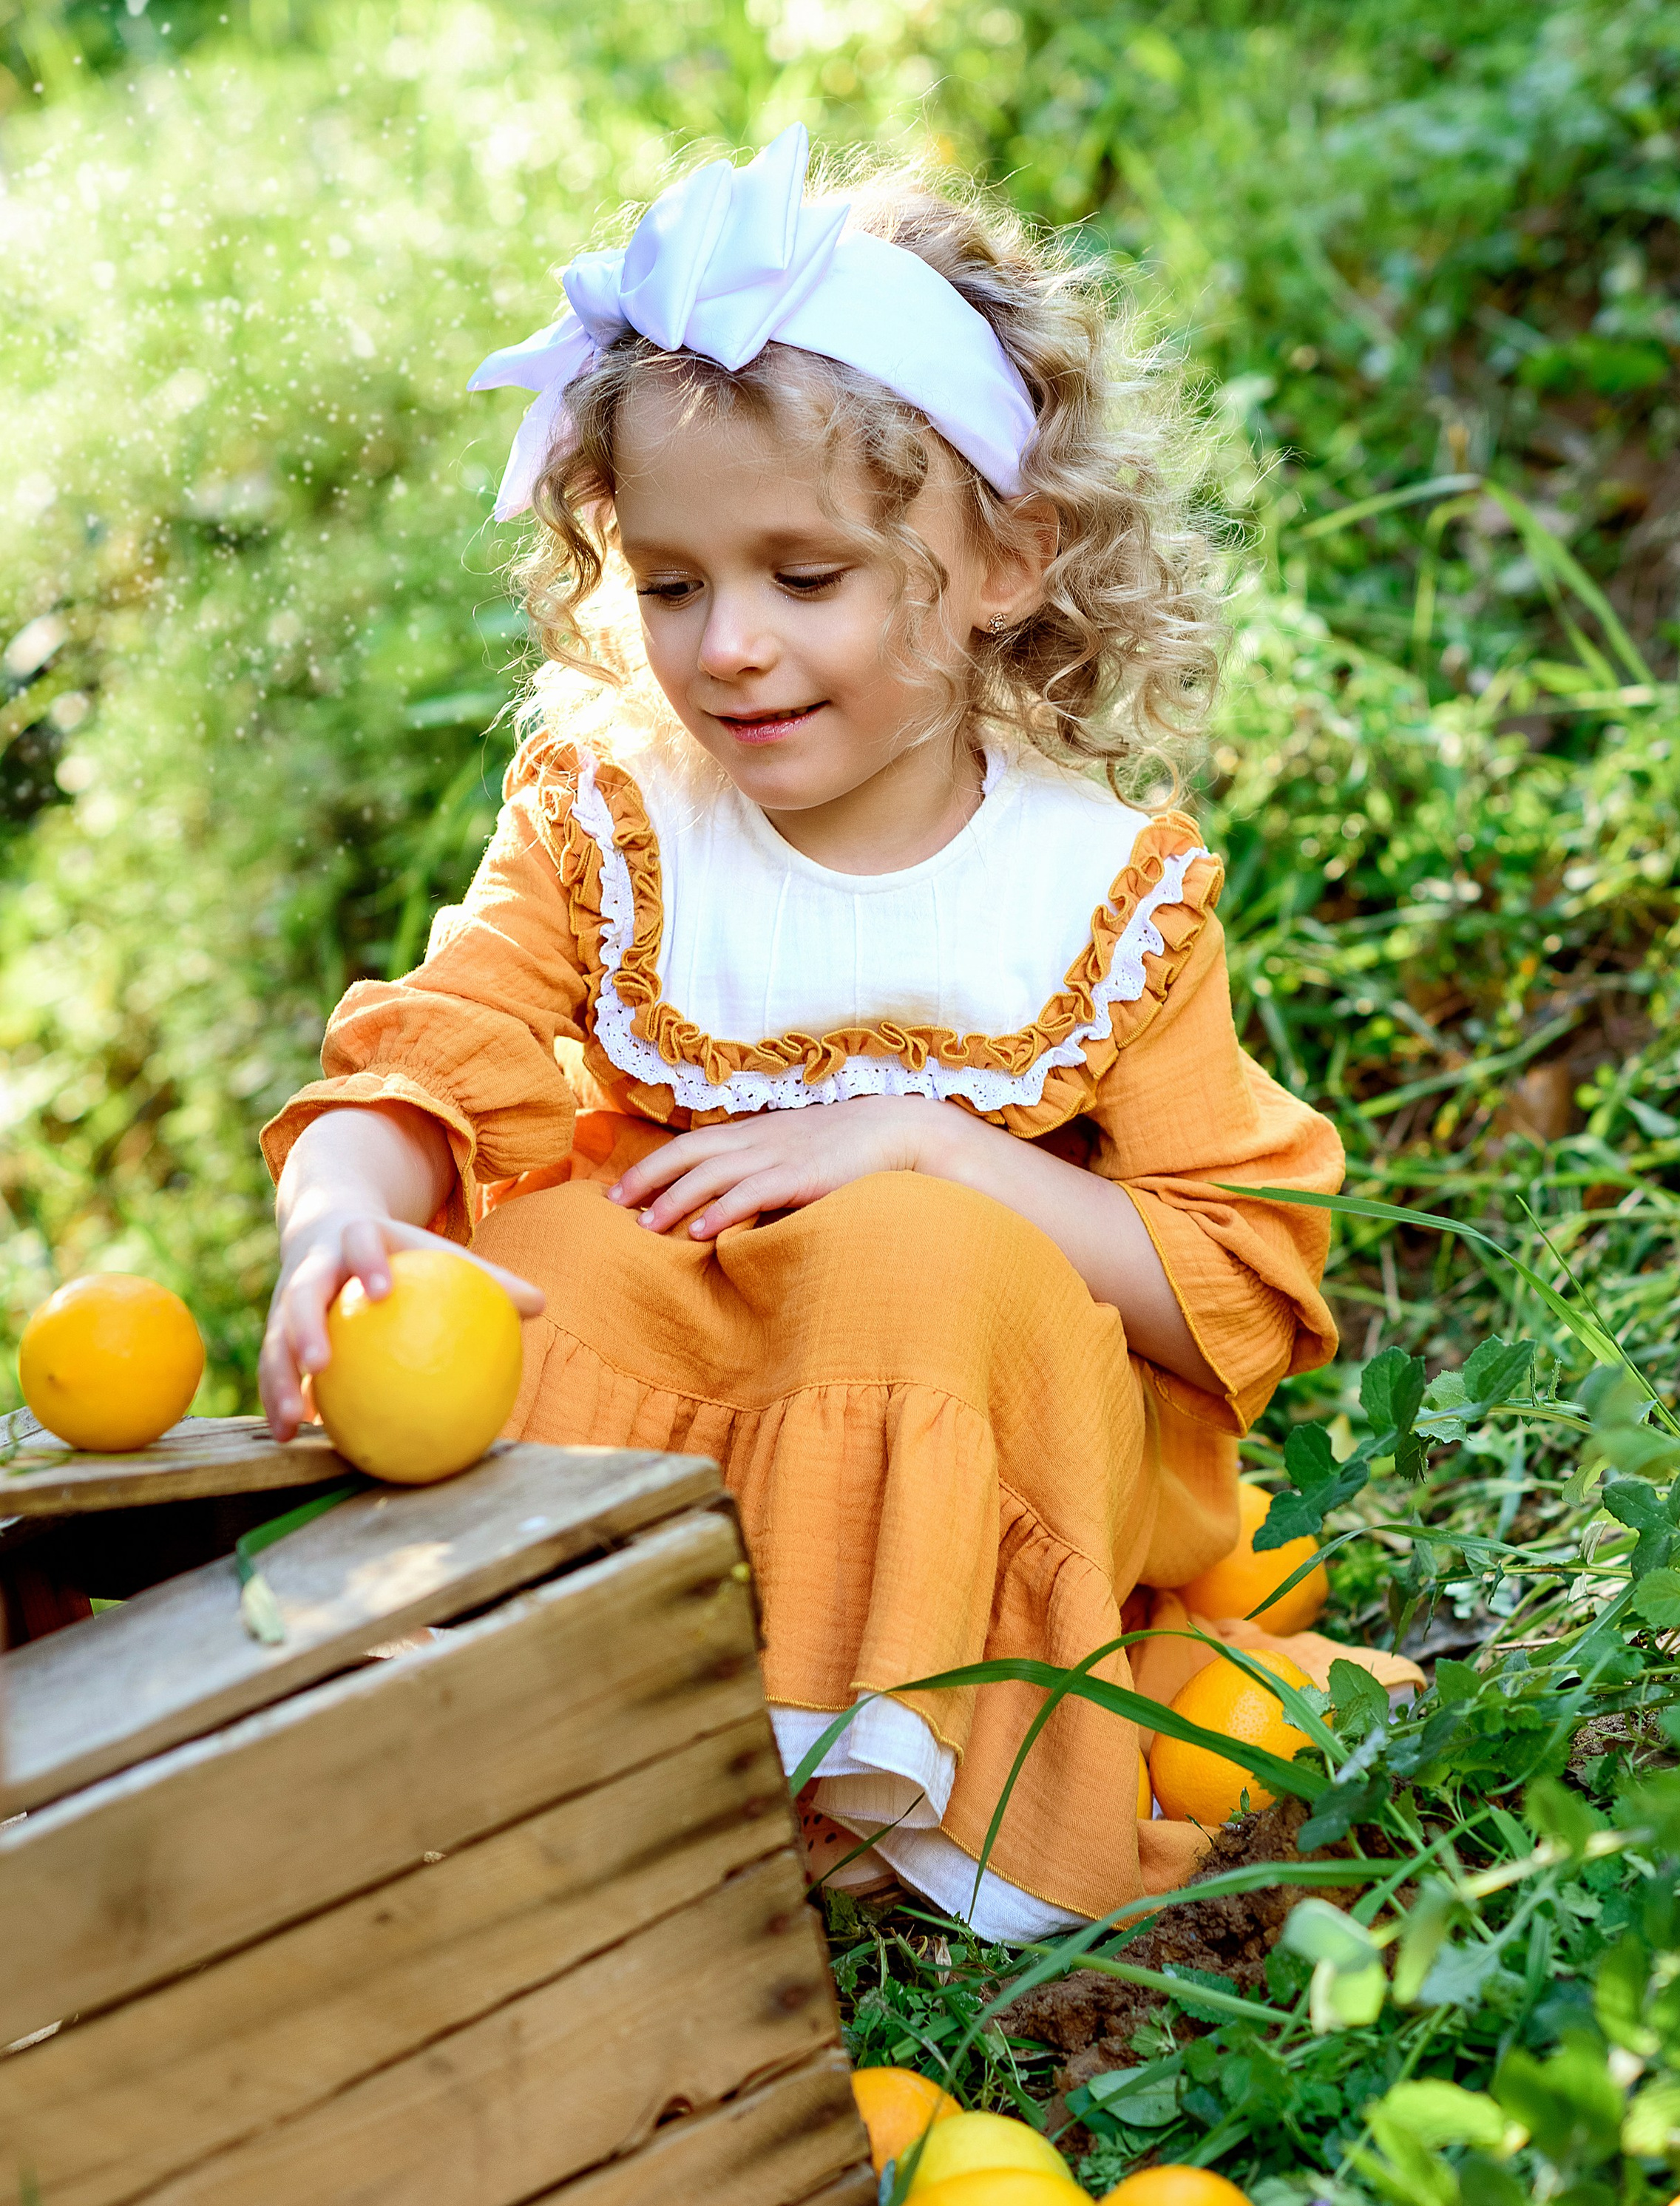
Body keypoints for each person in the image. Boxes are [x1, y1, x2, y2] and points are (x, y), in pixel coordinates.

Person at [259, 126, 1342, 1938]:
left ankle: (872, 1767)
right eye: (671, 585)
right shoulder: (616, 817)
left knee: (917, 1250)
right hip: (715, 1356)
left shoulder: (1097, 898)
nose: (731, 648)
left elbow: (1225, 1285)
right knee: (529, 1254)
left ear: (1001, 558)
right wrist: (344, 1218)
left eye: (805, 576)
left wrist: (933, 1145)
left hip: (972, 1395)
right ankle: (578, 1732)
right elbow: (441, 1040)